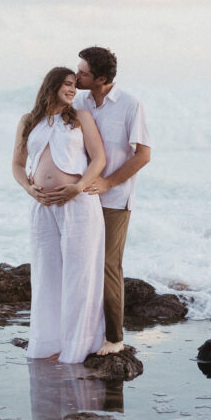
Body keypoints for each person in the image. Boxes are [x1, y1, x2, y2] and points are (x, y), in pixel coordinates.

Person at [12, 67, 107, 364]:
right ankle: (47, 344)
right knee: (45, 275)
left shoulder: (80, 118)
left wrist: (77, 187)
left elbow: (99, 159)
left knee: (79, 275)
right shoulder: (28, 121)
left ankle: (77, 348)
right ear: (51, 86)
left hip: (77, 205)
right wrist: (31, 190)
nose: (72, 90)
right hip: (42, 206)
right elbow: (17, 164)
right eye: (66, 84)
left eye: (74, 86)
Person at [74, 47, 151, 356]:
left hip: (115, 198)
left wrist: (107, 182)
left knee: (108, 265)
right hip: (82, 197)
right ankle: (85, 334)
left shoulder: (131, 105)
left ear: (101, 78)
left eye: (83, 73)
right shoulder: (79, 102)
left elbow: (143, 155)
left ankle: (115, 339)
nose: (76, 76)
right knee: (82, 264)